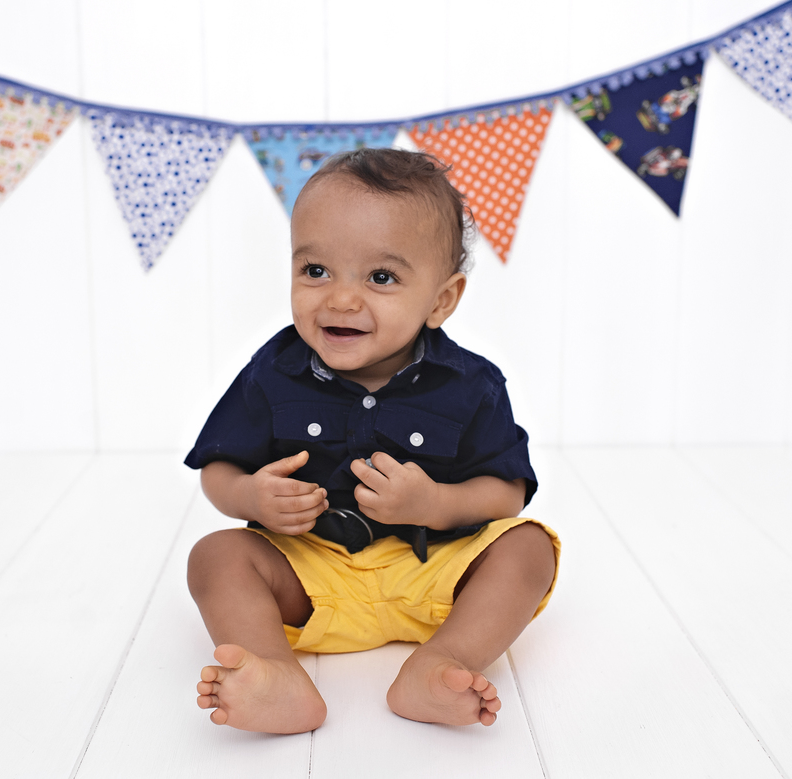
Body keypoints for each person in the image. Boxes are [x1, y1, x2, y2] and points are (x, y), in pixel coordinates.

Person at [184, 148, 560, 734]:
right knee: (215, 556)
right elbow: (218, 471)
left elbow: (507, 493)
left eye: (380, 278)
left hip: (435, 569)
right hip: (312, 572)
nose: (340, 299)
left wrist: (437, 504)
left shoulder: (471, 384)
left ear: (441, 300)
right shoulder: (274, 372)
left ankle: (443, 662)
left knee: (529, 548)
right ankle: (276, 675)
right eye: (315, 271)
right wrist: (252, 498)